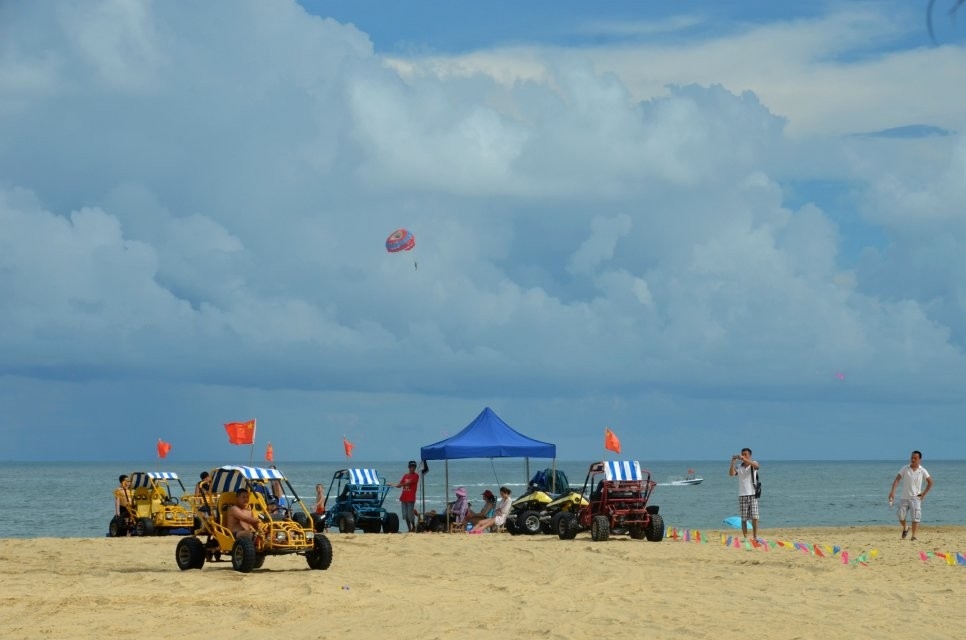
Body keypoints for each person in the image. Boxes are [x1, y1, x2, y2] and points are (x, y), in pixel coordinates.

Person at [888, 450, 934, 541]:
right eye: (912, 458)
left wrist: (923, 494)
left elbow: (930, 482)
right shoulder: (905, 468)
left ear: (919, 459)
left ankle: (914, 536)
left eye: (915, 458)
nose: (913, 460)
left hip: (916, 498)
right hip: (904, 497)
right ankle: (905, 527)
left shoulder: (922, 470)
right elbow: (897, 479)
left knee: (916, 517)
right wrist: (892, 492)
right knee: (900, 516)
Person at [728, 448, 760, 540]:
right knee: (744, 518)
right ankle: (745, 537)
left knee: (755, 517)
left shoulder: (753, 463)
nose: (743, 456)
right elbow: (731, 474)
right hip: (742, 494)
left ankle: (755, 537)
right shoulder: (739, 466)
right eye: (742, 454)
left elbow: (757, 466)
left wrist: (744, 459)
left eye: (745, 454)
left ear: (750, 455)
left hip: (753, 494)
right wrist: (733, 462)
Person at [393, 460, 420, 532]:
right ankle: (409, 529)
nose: (413, 468)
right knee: (405, 515)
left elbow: (407, 483)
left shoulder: (416, 476)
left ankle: (413, 526)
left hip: (410, 498)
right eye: (411, 467)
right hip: (404, 497)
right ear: (409, 467)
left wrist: (398, 485)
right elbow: (400, 485)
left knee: (410, 515)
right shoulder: (405, 475)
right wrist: (395, 485)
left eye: (414, 467)